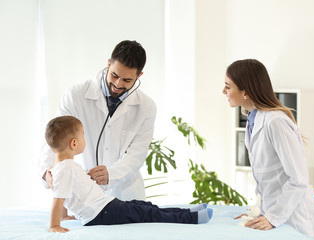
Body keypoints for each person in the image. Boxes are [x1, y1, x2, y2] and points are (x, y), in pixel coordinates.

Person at [45, 116, 213, 233]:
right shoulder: (65, 169)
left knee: (146, 207)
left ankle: (188, 211)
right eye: (82, 136)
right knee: (148, 213)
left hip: (105, 207)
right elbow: (58, 198)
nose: (84, 139)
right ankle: (193, 218)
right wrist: (55, 225)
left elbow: (66, 193)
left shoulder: (64, 167)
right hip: (101, 213)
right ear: (74, 143)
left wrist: (66, 215)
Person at [223, 59, 314, 240]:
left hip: (300, 219)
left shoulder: (275, 121)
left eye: (228, 86)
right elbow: (268, 182)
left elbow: (298, 179)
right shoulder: (253, 120)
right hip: (279, 216)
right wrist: (260, 215)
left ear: (245, 92)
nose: (223, 91)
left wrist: (272, 218)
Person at [39, 40, 156, 201]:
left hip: (125, 194)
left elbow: (137, 155)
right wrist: (47, 170)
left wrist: (112, 174)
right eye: (114, 75)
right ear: (108, 64)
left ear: (138, 76)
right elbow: (55, 137)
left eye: (127, 80)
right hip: (84, 194)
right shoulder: (76, 96)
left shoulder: (146, 107)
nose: (117, 84)